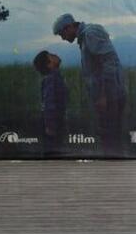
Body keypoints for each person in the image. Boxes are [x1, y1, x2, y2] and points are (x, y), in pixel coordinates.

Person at [53, 14, 126, 155]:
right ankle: (115, 162)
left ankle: (113, 164)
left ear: (69, 27)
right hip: (109, 96)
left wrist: (103, 95)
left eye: (62, 34)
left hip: (110, 97)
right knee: (110, 136)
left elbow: (109, 64)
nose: (63, 38)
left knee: (110, 138)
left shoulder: (90, 34)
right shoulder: (86, 37)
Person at [33, 50, 68, 154]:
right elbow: (49, 103)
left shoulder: (55, 77)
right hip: (53, 123)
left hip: (56, 121)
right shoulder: (51, 79)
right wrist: (50, 126)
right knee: (53, 150)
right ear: (49, 65)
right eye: (51, 56)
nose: (55, 54)